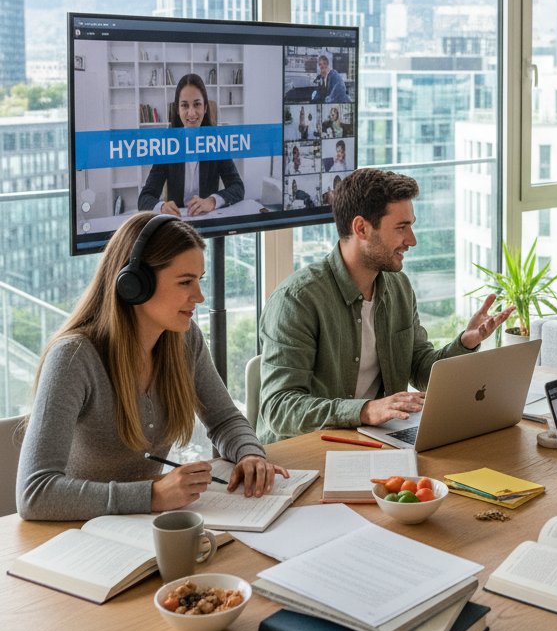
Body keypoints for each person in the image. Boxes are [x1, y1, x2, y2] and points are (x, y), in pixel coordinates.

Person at [17, 213, 284, 521]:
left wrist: (250, 453)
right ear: (134, 285)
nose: (199, 296)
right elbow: (34, 493)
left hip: (142, 523)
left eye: (200, 280)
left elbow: (224, 420)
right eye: (185, 282)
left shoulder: (183, 340)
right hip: (77, 532)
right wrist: (152, 495)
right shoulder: (74, 358)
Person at [257, 167, 512, 442]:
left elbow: (420, 370)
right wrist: (365, 410)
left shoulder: (398, 287)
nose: (412, 240)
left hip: (375, 441)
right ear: (361, 228)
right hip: (304, 457)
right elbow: (279, 408)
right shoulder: (298, 299)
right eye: (402, 228)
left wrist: (465, 343)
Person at [138, 74, 244, 216]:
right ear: (177, 109)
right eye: (184, 105)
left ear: (205, 107)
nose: (191, 113)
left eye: (197, 104)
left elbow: (237, 187)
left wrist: (212, 201)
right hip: (178, 223)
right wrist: (162, 207)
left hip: (208, 219)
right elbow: (145, 198)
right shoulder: (167, 143)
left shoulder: (217, 141)